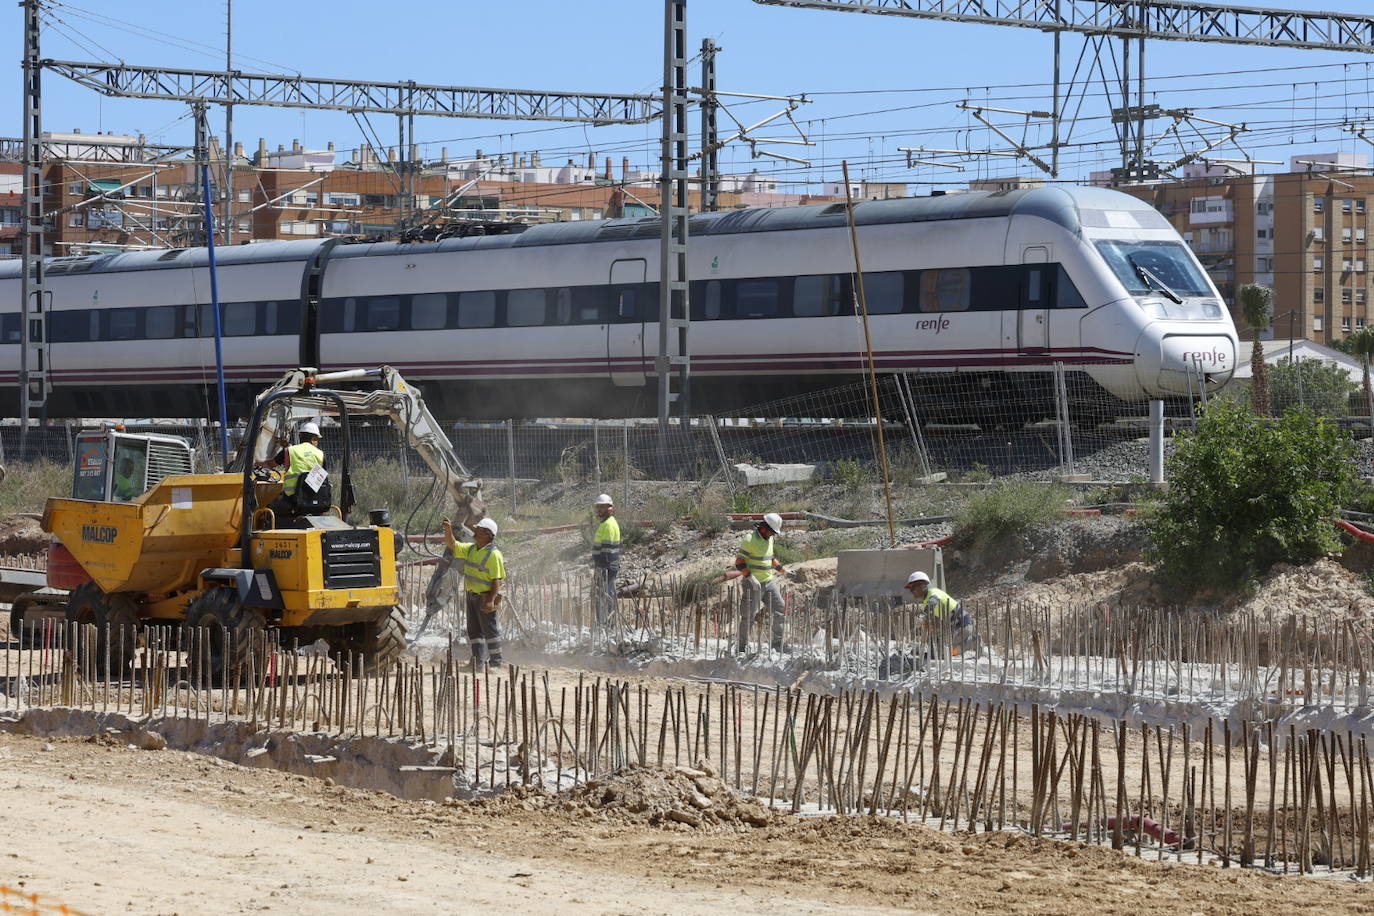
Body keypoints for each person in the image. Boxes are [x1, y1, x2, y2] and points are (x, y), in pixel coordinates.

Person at [442, 515, 505, 668]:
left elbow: (497, 580)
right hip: (471, 596)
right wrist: (448, 530)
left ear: (487, 534)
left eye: (478, 530)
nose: (474, 532)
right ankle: (477, 662)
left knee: (490, 631)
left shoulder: (493, 554)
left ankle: (496, 664)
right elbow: (453, 545)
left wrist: (490, 600)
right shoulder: (471, 549)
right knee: (474, 631)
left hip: (484, 597)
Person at [735, 512, 787, 653]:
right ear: (764, 528)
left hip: (768, 582)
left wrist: (782, 569)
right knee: (748, 616)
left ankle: (777, 643)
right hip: (753, 584)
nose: (773, 535)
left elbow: (770, 557)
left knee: (780, 609)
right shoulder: (749, 539)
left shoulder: (769, 539)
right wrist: (751, 578)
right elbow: (739, 563)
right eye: (772, 532)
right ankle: (741, 647)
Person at [260, 421, 326, 521]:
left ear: (300, 436)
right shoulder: (320, 454)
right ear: (314, 438)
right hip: (314, 501)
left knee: (266, 510)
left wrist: (255, 462)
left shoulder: (289, 451)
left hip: (290, 501)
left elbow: (270, 464)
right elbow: (321, 479)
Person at [903, 571, 976, 653]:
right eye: (911, 590)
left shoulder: (934, 593)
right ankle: (953, 649)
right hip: (954, 627)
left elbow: (933, 602)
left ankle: (971, 641)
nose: (912, 592)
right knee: (941, 651)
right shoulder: (926, 601)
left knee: (943, 651)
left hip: (963, 626)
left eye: (913, 589)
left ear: (923, 586)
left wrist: (923, 615)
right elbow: (936, 624)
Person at [590, 494, 621, 631]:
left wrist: (601, 568)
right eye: (598, 507)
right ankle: (605, 623)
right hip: (606, 565)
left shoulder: (608, 525)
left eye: (602, 507)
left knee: (605, 595)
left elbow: (606, 551)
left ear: (610, 509)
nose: (599, 511)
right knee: (605, 595)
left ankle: (607, 625)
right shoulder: (606, 524)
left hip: (606, 566)